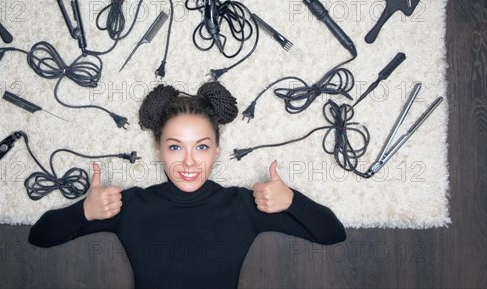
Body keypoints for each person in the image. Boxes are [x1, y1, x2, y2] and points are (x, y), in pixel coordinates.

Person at [29, 81, 346, 288]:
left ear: (217, 151)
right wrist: (85, 210)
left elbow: (332, 234)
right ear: (158, 150)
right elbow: (40, 236)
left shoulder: (243, 206)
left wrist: (291, 199)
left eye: (202, 147)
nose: (190, 162)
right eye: (176, 146)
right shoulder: (130, 206)